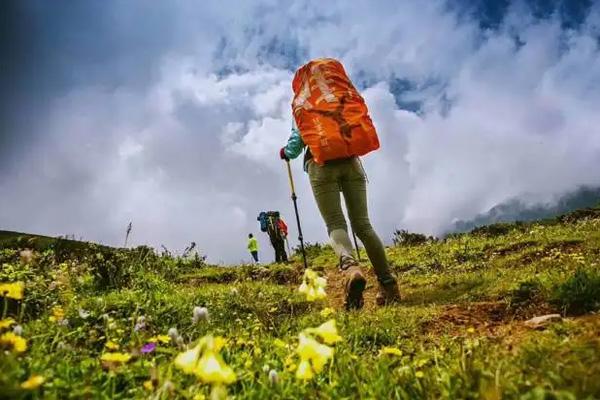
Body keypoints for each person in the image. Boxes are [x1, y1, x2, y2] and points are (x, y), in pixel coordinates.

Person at [279, 57, 401, 309]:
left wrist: (285, 152)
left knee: (335, 223)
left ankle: (351, 269)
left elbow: (296, 141)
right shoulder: (341, 94)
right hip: (352, 163)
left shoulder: (303, 103)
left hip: (320, 165)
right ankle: (388, 285)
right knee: (363, 226)